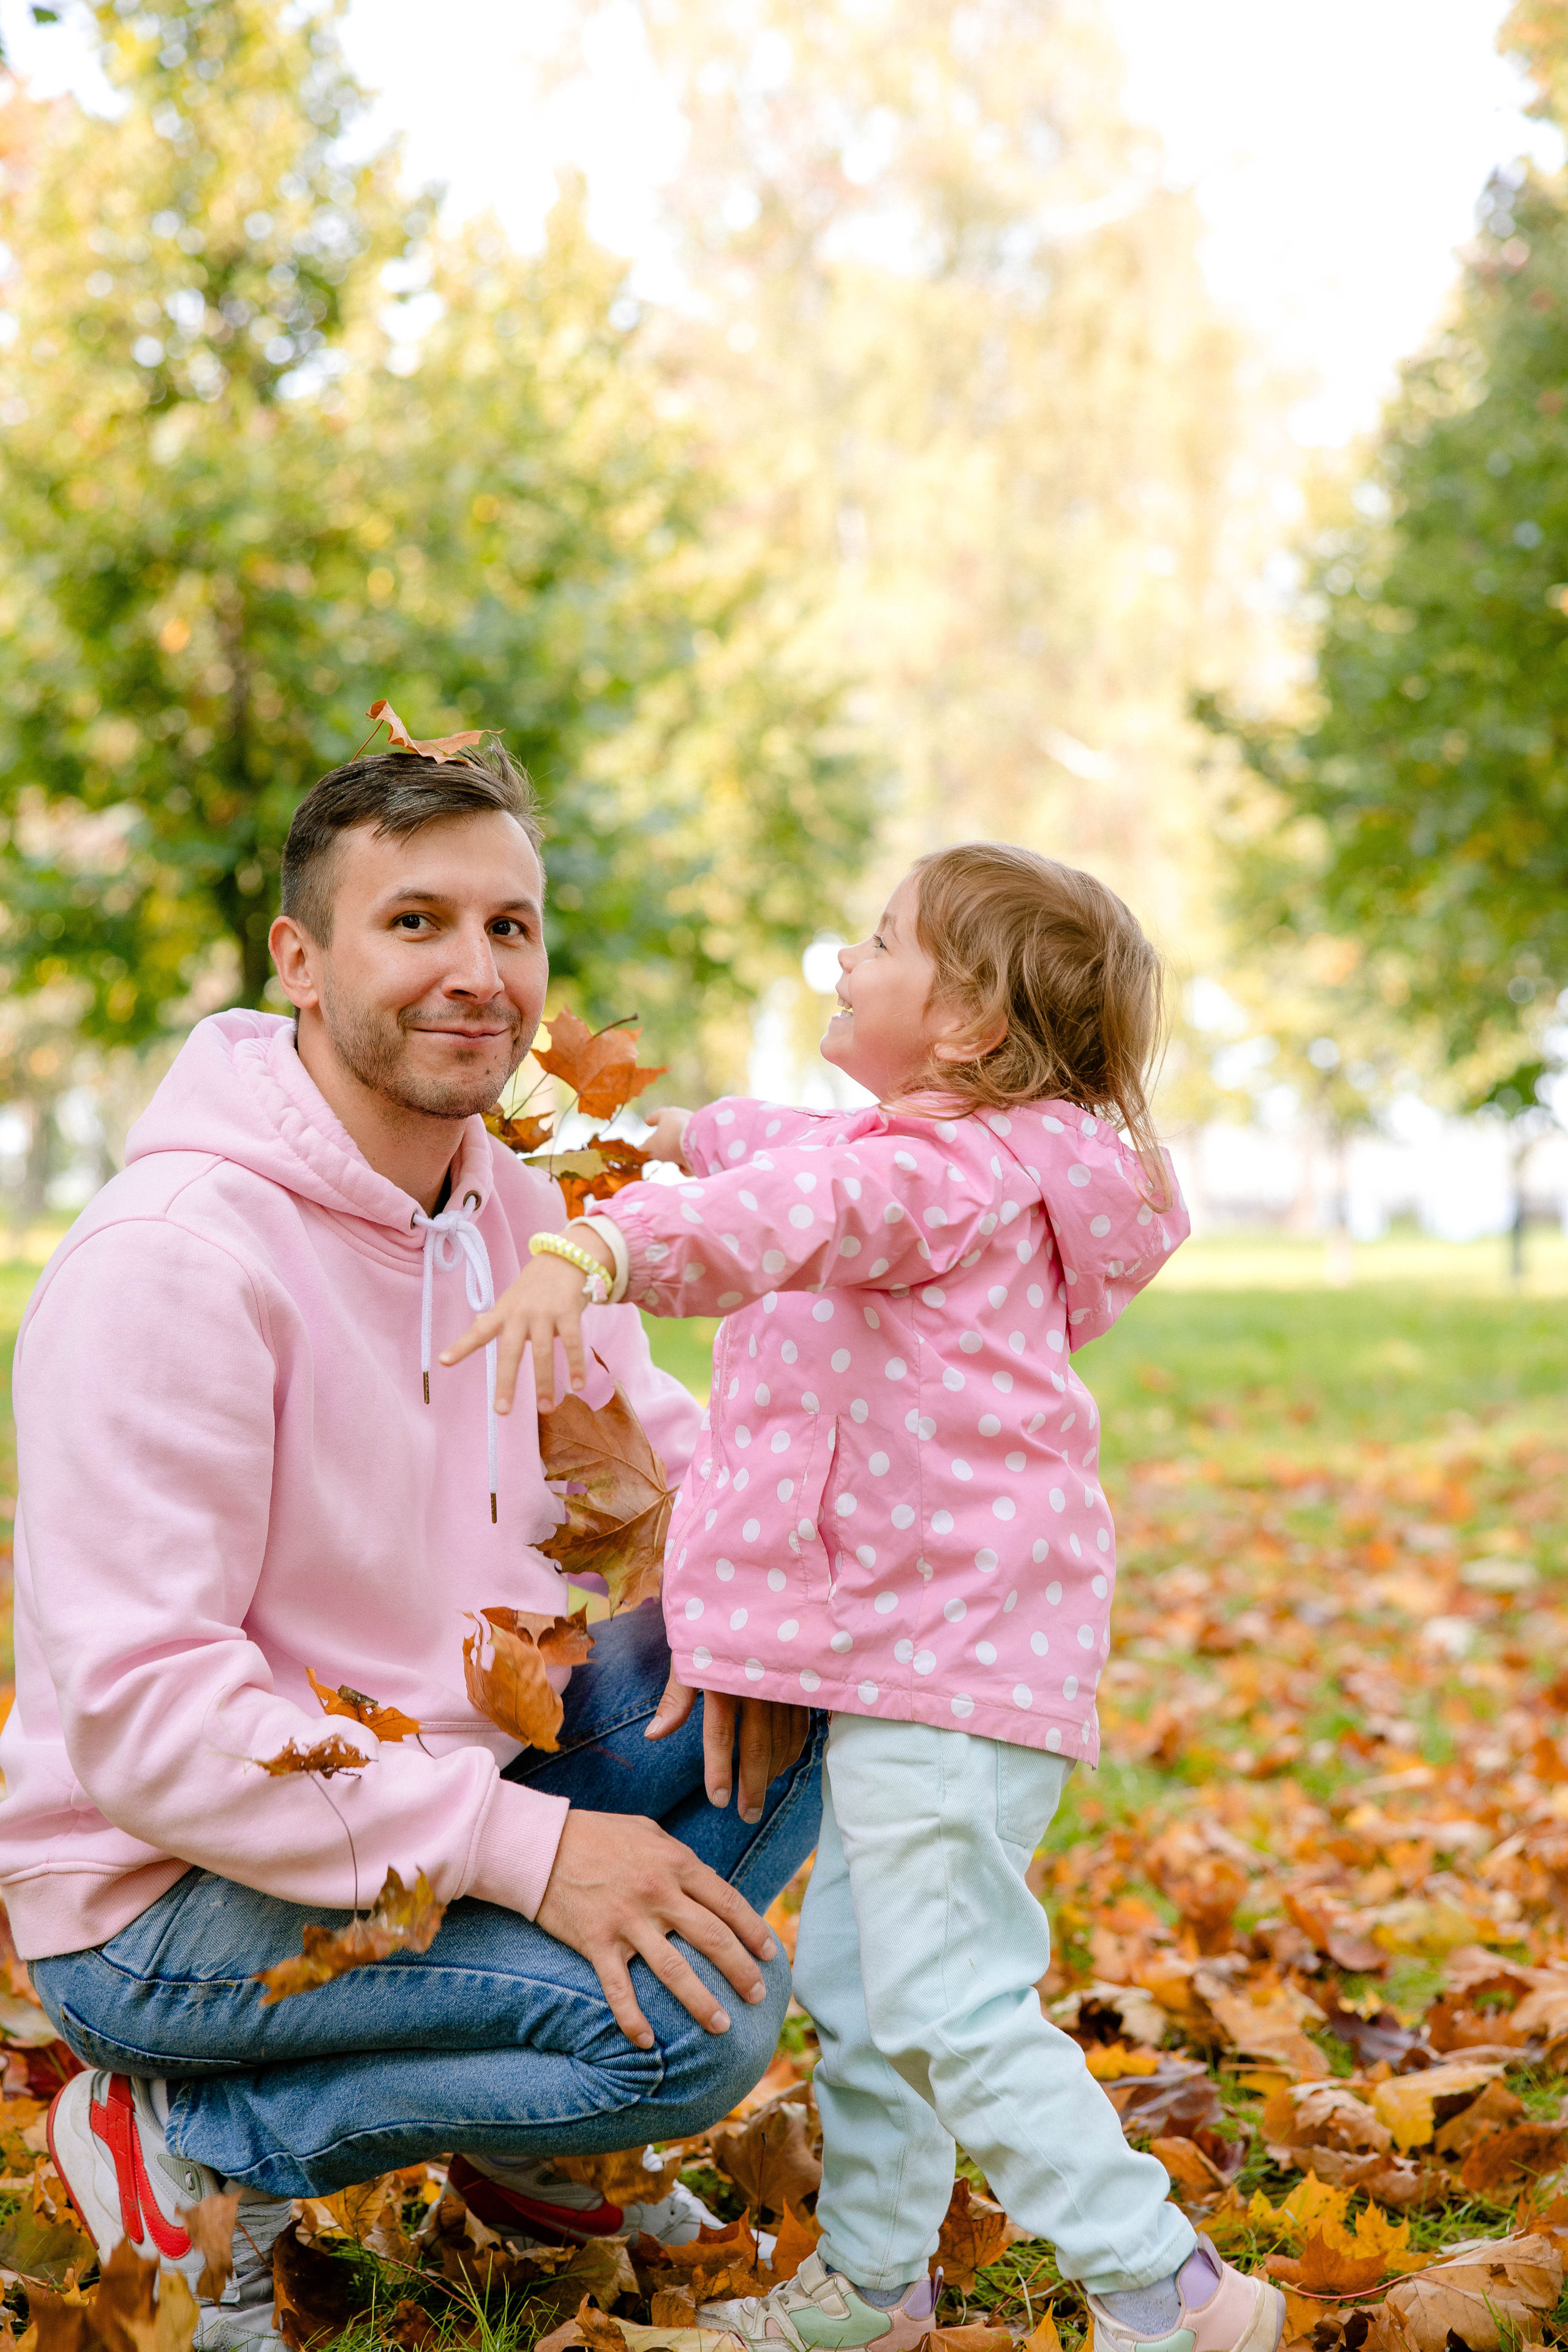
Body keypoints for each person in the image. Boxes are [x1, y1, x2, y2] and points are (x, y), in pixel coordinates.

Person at [1, 745, 822, 2348]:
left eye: (511, 929)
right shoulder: (175, 1264)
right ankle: (182, 2140)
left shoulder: (504, 1208)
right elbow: (156, 1720)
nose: (477, 974)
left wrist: (822, 1583)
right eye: (418, 923)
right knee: (692, 2038)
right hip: (161, 1894)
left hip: (449, 1771)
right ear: (300, 962)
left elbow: (662, 1457)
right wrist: (535, 1857)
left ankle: (523, 2151)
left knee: (827, 1645)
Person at [450, 843, 1285, 2352]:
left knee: (949, 2000)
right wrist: (583, 1126)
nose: (845, 955)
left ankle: (1166, 2289)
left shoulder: (929, 1176)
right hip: (925, 1662)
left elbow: (773, 1222)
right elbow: (747, 1150)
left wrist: (598, 1243)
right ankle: (875, 2284)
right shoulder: (935, 1154)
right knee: (860, 1976)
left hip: (948, 1670)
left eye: (881, 939)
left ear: (963, 1024)